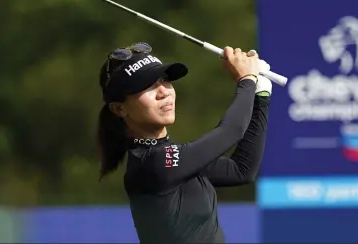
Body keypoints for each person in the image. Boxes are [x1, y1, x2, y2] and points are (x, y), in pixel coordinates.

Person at [96, 42, 271, 244]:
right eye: (147, 86)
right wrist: (247, 80)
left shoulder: (171, 157)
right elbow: (231, 131)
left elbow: (242, 169)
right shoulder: (154, 163)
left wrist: (261, 95)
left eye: (164, 80)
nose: (164, 92)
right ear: (119, 109)